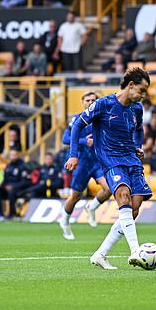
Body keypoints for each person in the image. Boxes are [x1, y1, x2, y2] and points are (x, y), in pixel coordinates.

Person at [65, 68, 152, 270]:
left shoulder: (136, 109)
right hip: (111, 160)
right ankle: (136, 252)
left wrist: (138, 146)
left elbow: (139, 130)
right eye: (142, 90)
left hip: (131, 159)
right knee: (123, 196)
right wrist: (73, 155)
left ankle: (100, 254)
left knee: (134, 209)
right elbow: (77, 124)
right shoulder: (104, 104)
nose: (143, 95)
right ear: (131, 85)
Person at [60, 92, 112, 239]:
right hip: (82, 163)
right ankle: (64, 220)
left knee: (109, 188)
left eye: (93, 100)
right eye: (87, 100)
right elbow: (65, 139)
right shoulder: (77, 119)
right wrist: (84, 141)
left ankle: (92, 207)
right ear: (82, 102)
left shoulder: (102, 119)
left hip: (97, 162)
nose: (90, 102)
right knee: (76, 196)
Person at [0, 150, 29, 219]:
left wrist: (13, 186)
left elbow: (24, 182)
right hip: (7, 188)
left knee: (11, 192)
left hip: (18, 189)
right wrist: (1, 185)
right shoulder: (8, 166)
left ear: (18, 155)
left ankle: (12, 214)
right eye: (11, 155)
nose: (12, 157)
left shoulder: (22, 166)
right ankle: (0, 215)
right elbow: (5, 179)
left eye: (14, 155)